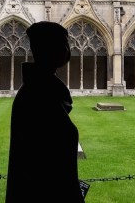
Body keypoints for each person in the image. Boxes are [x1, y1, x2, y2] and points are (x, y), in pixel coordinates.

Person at [5, 21, 86, 202]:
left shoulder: (39, 88)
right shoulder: (40, 93)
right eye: (64, 44)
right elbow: (50, 160)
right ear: (49, 49)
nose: (68, 50)